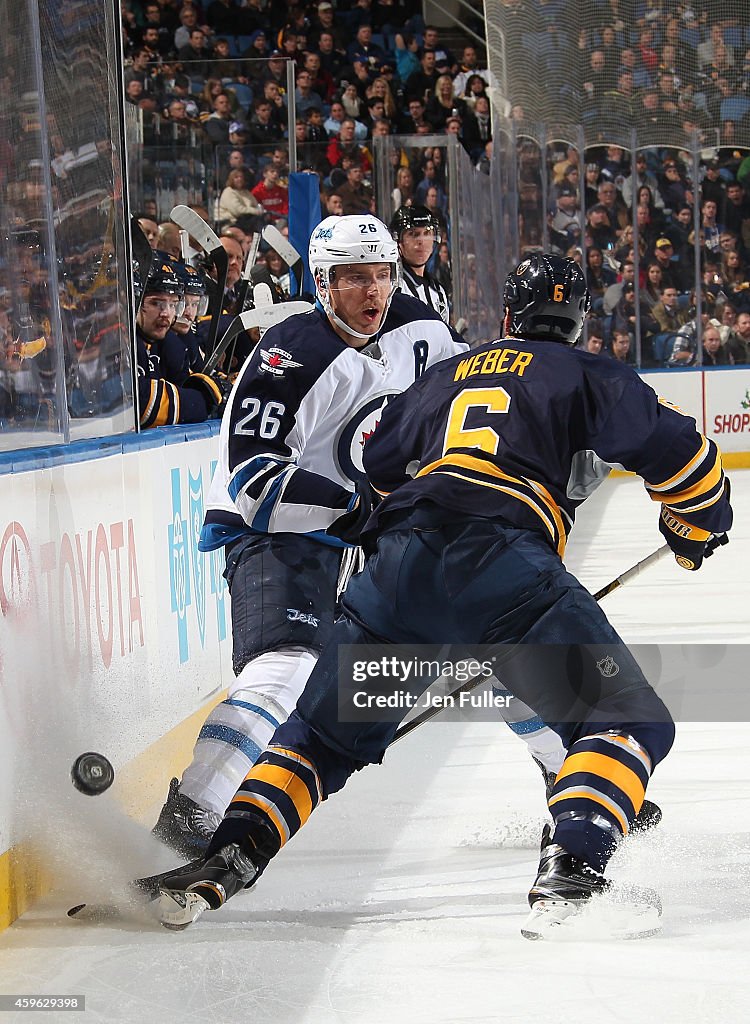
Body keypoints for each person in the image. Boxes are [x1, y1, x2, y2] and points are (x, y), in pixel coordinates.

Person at [153, 254, 732, 934]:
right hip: (505, 565)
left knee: (315, 740)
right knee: (629, 720)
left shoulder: (446, 373)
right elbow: (687, 461)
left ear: (508, 318)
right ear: (578, 323)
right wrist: (693, 530)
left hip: (397, 571)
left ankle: (223, 858)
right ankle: (573, 875)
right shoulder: (585, 371)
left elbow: (379, 464)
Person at [149, 215, 469, 857]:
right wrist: (352, 508)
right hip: (272, 538)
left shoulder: (365, 356)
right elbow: (251, 476)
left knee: (474, 626)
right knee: (283, 669)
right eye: (355, 278)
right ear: (324, 282)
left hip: (329, 545)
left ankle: (565, 774)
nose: (373, 292)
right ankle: (189, 814)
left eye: (382, 275)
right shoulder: (292, 352)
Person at [135, 259, 227, 428]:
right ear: (135, 301)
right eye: (156, 303)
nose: (166, 313)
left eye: (173, 305)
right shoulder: (120, 338)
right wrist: (204, 400)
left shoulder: (166, 341)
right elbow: (139, 403)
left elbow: (183, 379)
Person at [390, 204, 450, 324]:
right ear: (397, 240)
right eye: (413, 234)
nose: (421, 241)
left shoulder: (438, 291)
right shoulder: (391, 287)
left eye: (427, 233)